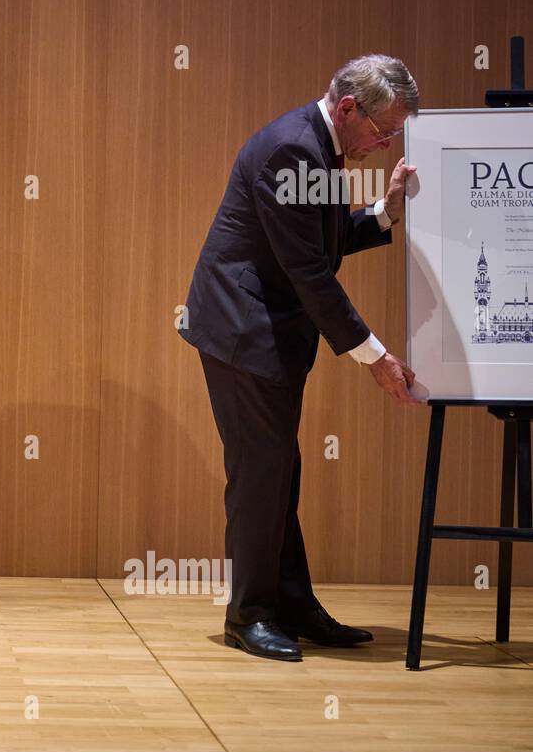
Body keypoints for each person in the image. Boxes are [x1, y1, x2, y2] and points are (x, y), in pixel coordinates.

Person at [180, 54, 420, 660]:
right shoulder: (295, 149)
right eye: (383, 131)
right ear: (347, 108)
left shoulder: (318, 145)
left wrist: (386, 211)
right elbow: (310, 271)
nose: (386, 145)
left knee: (279, 470)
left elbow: (324, 242)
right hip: (242, 332)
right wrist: (375, 356)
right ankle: (249, 616)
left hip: (266, 332)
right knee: (262, 475)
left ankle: (292, 604)